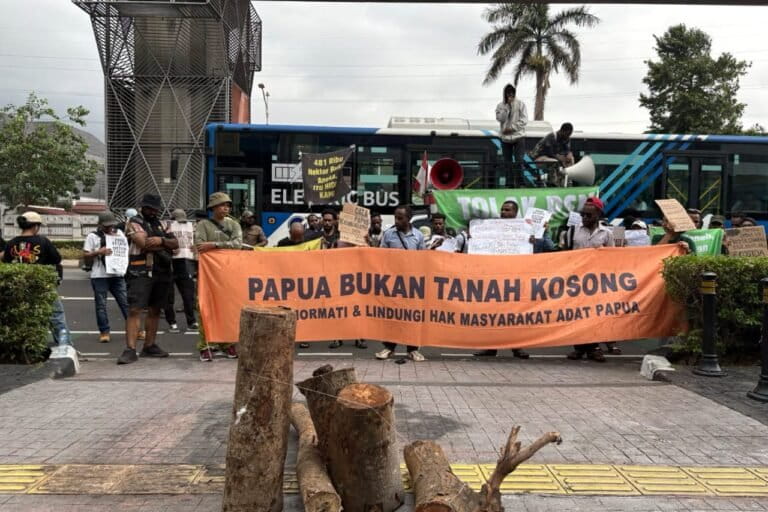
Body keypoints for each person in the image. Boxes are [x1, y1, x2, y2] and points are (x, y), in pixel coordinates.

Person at [121, 194, 177, 364]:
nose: (152, 211)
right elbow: (143, 243)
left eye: (155, 209)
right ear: (142, 207)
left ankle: (149, 346)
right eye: (149, 208)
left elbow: (176, 244)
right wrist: (165, 244)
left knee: (155, 309)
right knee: (135, 309)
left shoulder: (163, 224)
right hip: (140, 270)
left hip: (162, 271)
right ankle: (130, 349)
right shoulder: (134, 222)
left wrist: (160, 240)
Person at [2, 212, 71, 346]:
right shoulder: (43, 241)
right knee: (56, 316)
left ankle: (27, 345)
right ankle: (64, 346)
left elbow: (7, 262)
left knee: (24, 318)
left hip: (19, 287)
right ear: (35, 226)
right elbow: (56, 259)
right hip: (43, 286)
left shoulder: (11, 243)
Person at [474, 200, 531, 359]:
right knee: (493, 313)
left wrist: (537, 237)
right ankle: (491, 347)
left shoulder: (525, 229)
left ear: (515, 213)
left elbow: (545, 246)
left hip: (516, 278)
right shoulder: (492, 228)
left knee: (515, 314)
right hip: (496, 277)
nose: (503, 213)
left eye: (507, 210)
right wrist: (475, 237)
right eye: (502, 210)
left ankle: (517, 347)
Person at [565, 197, 615, 362]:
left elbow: (613, 257)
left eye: (589, 215)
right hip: (576, 280)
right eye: (583, 214)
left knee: (594, 315)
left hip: (597, 282)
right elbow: (564, 255)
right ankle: (579, 348)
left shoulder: (607, 234)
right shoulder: (573, 231)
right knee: (578, 314)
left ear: (598, 215)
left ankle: (594, 347)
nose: (584, 218)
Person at [195, 192, 242, 361]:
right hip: (208, 273)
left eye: (228, 205)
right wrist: (222, 247)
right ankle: (205, 345)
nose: (226, 208)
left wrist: (214, 245)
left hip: (229, 272)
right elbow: (200, 245)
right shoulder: (203, 225)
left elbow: (238, 244)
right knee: (205, 308)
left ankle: (227, 343)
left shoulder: (234, 224)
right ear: (213, 208)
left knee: (228, 308)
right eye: (222, 205)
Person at [376, 205, 427, 362]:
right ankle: (389, 348)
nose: (396, 221)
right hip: (393, 283)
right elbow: (381, 256)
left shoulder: (418, 236)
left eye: (400, 218)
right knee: (392, 316)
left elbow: (423, 259)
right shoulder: (388, 234)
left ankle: (412, 349)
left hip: (412, 284)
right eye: (395, 217)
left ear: (408, 219)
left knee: (411, 317)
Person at [82, 211, 130, 343]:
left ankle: (134, 329)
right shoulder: (92, 236)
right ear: (100, 225)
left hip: (117, 274)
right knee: (101, 305)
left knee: (125, 303)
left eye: (111, 225)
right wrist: (99, 252)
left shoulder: (119, 233)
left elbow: (125, 250)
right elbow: (85, 254)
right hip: (100, 275)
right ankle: (104, 332)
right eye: (106, 225)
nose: (109, 227)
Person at [163, 209, 198, 333]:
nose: (182, 223)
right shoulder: (166, 226)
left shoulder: (191, 226)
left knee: (188, 294)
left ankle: (191, 321)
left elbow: (197, 241)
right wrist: (169, 249)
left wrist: (196, 250)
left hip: (186, 261)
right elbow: (162, 241)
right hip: (170, 262)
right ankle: (172, 322)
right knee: (169, 295)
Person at [495, 83, 528, 184]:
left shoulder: (521, 104)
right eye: (508, 93)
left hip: (518, 136)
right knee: (507, 162)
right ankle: (509, 184)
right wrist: (506, 108)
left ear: (514, 93)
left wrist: (512, 128)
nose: (510, 95)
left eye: (512, 93)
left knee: (519, 160)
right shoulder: (500, 106)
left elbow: (524, 120)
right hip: (505, 138)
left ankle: (520, 183)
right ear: (505, 94)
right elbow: (500, 119)